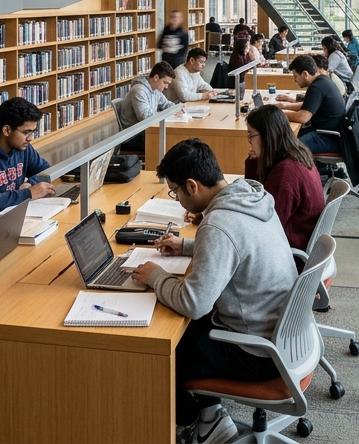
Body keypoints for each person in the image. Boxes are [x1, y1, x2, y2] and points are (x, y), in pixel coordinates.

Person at [129, 139, 298, 444]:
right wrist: (188, 245)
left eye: (176, 191)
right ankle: (211, 417)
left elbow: (193, 303)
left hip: (255, 351)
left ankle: (192, 422)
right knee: (185, 331)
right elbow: (240, 248)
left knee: (161, 350)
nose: (177, 199)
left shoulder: (219, 224)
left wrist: (155, 276)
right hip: (279, 333)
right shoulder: (251, 195)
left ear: (192, 185)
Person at [245, 105, 325, 251]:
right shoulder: (296, 153)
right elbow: (254, 196)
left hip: (288, 253)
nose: (249, 141)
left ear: (267, 135)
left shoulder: (285, 174)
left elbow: (267, 227)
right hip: (297, 242)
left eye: (251, 135)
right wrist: (254, 162)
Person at [274, 55, 345, 154]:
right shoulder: (322, 80)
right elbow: (309, 106)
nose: (295, 80)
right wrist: (285, 106)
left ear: (305, 74)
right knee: (289, 138)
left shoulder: (316, 87)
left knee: (290, 150)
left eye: (295, 76)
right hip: (330, 132)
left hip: (328, 137)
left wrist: (277, 114)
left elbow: (302, 117)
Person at [115, 62, 177, 153]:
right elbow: (145, 117)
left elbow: (166, 104)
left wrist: (176, 109)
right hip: (133, 136)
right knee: (169, 141)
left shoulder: (156, 90)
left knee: (171, 139)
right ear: (156, 78)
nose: (166, 87)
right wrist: (169, 114)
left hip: (146, 131)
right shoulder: (139, 90)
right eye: (165, 83)